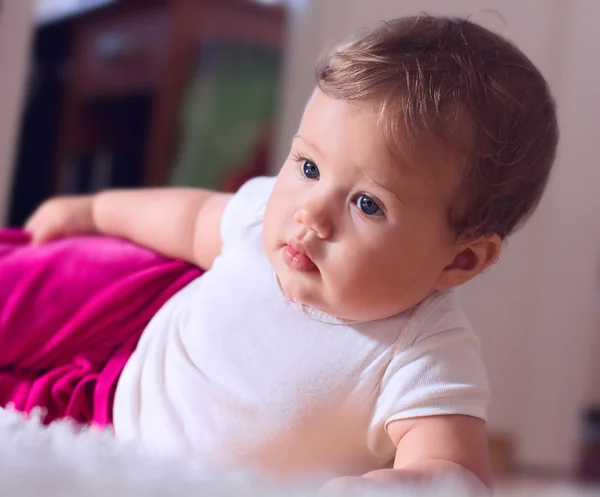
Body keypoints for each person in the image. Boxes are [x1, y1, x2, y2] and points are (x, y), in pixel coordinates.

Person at [23, 14, 558, 492]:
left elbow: (455, 469)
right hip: (102, 392)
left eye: (367, 204)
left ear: (459, 260)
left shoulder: (422, 347)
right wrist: (93, 212)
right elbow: (186, 219)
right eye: (307, 167)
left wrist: (400, 483)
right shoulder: (262, 219)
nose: (312, 214)